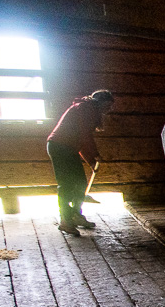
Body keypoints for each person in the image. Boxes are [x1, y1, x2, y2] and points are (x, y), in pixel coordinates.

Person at [46, 89, 114, 235]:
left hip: (69, 147)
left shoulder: (89, 109)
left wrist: (91, 162)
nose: (109, 109)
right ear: (101, 103)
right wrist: (95, 154)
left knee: (81, 182)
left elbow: (81, 142)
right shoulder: (86, 109)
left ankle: (76, 215)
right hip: (59, 146)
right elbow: (85, 136)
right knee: (66, 184)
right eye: (108, 105)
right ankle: (65, 220)